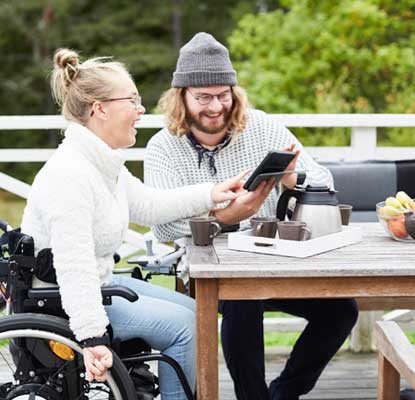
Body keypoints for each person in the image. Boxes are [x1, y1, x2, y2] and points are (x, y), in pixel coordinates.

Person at [20, 48, 248, 399]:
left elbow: (151, 205)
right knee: (187, 327)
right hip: (64, 299)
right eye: (133, 100)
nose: (141, 110)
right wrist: (93, 337)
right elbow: (73, 265)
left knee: (196, 310)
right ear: (100, 109)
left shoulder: (100, 162)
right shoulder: (71, 175)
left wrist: (213, 193)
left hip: (99, 282)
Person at [144, 32, 359, 400]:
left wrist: (293, 178)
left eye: (223, 94)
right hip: (208, 269)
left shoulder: (260, 126)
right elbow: (162, 224)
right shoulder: (162, 147)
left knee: (342, 312)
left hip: (277, 259)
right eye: (204, 97)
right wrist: (227, 217)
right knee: (243, 298)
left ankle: (284, 393)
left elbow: (324, 179)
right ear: (181, 97)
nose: (216, 106)